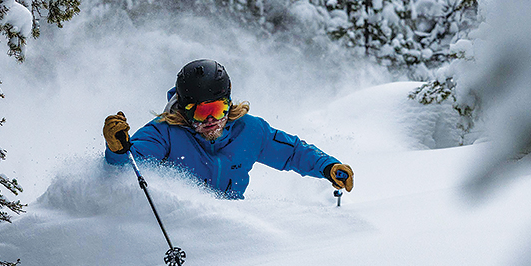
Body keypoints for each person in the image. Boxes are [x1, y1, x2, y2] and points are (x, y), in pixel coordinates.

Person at [102, 59, 354, 199]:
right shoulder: (164, 133)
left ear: (229, 102)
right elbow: (131, 167)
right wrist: (117, 149)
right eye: (201, 111)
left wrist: (327, 166)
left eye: (218, 109)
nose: (211, 119)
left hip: (232, 232)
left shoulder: (249, 130)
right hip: (182, 229)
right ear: (184, 110)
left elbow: (293, 152)